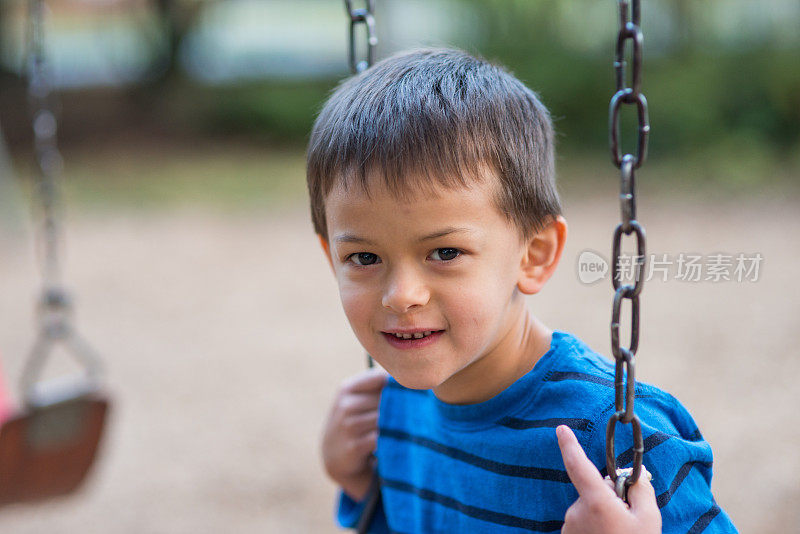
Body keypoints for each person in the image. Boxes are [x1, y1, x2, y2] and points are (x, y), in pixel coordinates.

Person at [308, 48, 737, 533]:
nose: (401, 296)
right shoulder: (395, 409)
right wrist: (360, 486)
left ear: (533, 255)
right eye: (364, 258)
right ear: (332, 258)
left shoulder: (613, 441)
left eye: (445, 253)